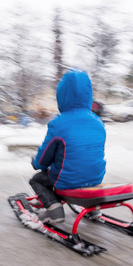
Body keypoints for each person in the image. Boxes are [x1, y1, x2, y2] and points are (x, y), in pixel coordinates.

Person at [29, 68, 106, 223]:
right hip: (95, 178)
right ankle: (93, 209)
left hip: (68, 181)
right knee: (74, 172)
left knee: (37, 179)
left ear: (62, 96)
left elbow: (45, 157)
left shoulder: (59, 123)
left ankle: (54, 208)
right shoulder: (98, 122)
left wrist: (36, 163)